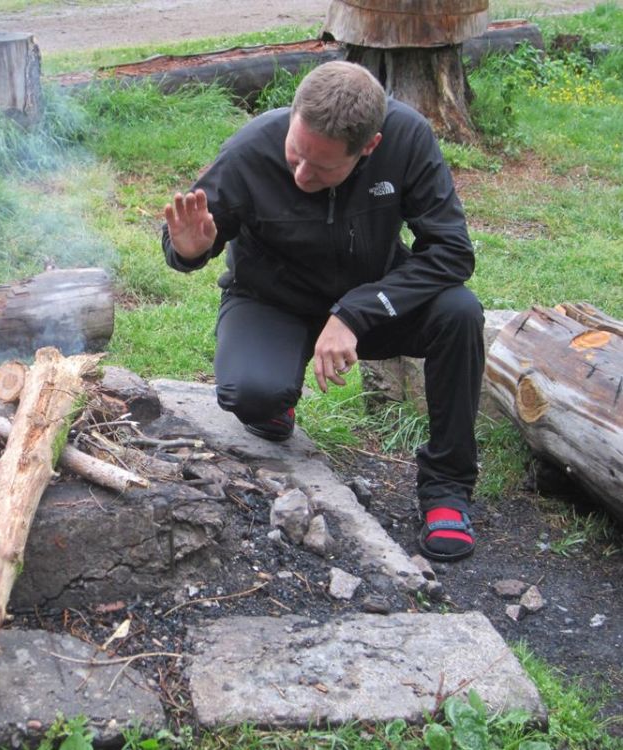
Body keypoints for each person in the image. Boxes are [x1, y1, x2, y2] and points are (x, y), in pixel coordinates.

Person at [162, 61, 484, 563]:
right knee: (252, 394)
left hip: (367, 306)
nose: (301, 174)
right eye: (296, 153)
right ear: (292, 117)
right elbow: (189, 236)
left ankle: (447, 486)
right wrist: (187, 250)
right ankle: (276, 400)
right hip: (273, 301)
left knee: (460, 312)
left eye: (322, 168)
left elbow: (453, 253)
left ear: (369, 147)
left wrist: (356, 312)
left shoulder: (406, 139)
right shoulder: (252, 148)